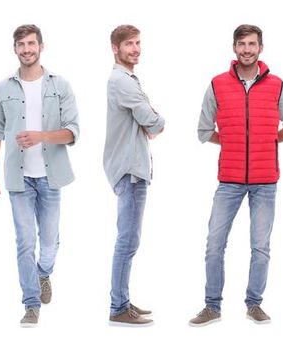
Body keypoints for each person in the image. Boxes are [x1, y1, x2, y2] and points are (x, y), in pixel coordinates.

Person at [189, 24, 283, 327]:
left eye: (252, 44)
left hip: (266, 181)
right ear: (234, 48)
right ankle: (212, 306)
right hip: (229, 180)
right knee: (214, 244)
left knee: (260, 247)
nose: (247, 49)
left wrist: (270, 140)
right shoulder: (217, 84)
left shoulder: (276, 85)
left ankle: (254, 303)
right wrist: (229, 140)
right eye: (242, 44)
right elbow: (203, 131)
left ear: (260, 48)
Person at [0, 24, 80, 327]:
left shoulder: (60, 85)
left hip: (51, 178)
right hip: (18, 178)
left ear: (41, 46)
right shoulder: (3, 88)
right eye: (21, 44)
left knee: (49, 241)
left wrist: (41, 136)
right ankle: (31, 304)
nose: (26, 49)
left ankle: (44, 273)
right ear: (15, 48)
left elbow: (72, 132)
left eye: (31, 43)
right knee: (25, 240)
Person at [104, 24, 164, 327]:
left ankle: (122, 300)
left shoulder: (126, 80)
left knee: (129, 239)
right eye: (129, 44)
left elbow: (145, 121)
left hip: (131, 168)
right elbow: (153, 122)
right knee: (127, 241)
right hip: (130, 171)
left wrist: (148, 118)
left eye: (138, 42)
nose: (136, 49)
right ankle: (118, 306)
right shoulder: (122, 82)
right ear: (115, 48)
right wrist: (155, 117)